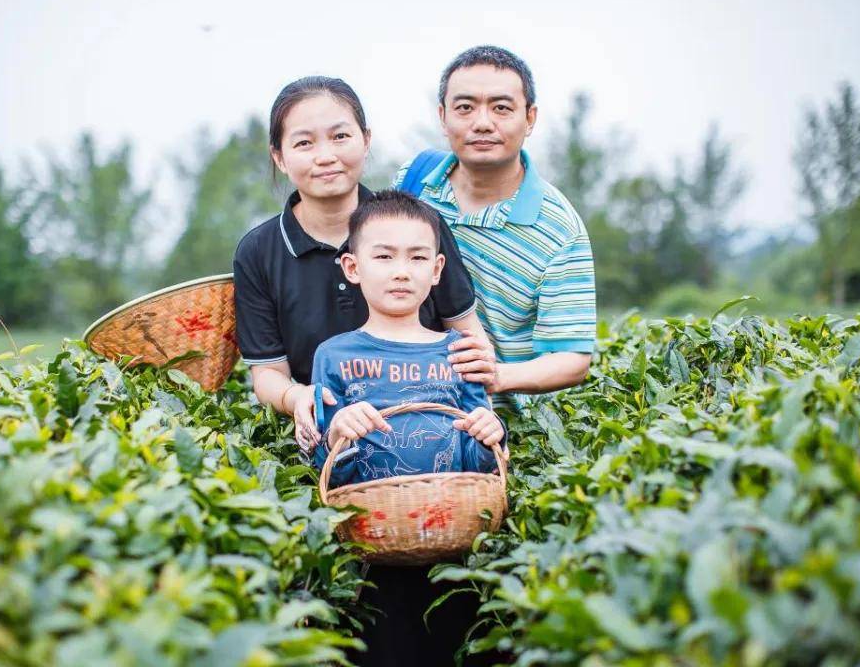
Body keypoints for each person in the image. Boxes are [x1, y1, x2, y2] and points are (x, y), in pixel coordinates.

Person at [233, 76, 497, 453]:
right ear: (279, 156)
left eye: (340, 137)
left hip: (436, 435)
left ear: (366, 140)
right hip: (333, 438)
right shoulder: (259, 251)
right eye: (304, 143)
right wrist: (299, 399)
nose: (326, 156)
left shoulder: (419, 226)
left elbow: (469, 339)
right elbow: (268, 374)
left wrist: (483, 411)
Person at [311, 190, 505, 667]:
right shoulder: (333, 355)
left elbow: (482, 465)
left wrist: (489, 432)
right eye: (384, 256)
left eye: (417, 257)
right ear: (353, 268)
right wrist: (338, 433)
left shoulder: (457, 350)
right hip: (370, 549)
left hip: (453, 550)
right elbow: (324, 466)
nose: (402, 270)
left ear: (437, 271)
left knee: (451, 648)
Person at [395, 46, 596, 407]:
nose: (483, 122)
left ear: (530, 118)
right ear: (443, 117)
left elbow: (573, 359)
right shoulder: (414, 181)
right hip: (398, 403)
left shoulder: (559, 229)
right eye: (465, 107)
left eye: (501, 108)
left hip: (499, 426)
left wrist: (498, 376)